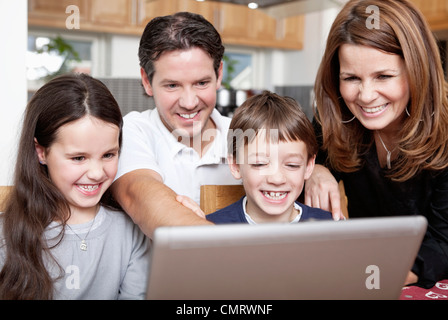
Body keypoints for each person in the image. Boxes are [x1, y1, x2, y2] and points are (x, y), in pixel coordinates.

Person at [305, 0, 448, 288]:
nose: (366, 96)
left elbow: (444, 244)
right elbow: (299, 165)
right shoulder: (337, 120)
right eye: (351, 78)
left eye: (384, 76)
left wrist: (373, 276)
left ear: (417, 71)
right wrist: (315, 169)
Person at [0, 73, 150, 300]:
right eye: (78, 158)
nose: (97, 173)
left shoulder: (131, 232)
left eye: (108, 154)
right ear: (41, 152)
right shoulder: (6, 234)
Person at [110, 12, 236, 237]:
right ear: (147, 81)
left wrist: (314, 172)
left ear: (219, 75)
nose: (189, 103)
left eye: (201, 83)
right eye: (172, 86)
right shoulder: (133, 130)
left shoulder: (244, 133)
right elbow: (139, 195)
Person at [207, 91, 332, 224]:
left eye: (292, 165)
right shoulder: (210, 227)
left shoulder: (330, 226)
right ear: (235, 165)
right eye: (259, 164)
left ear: (308, 166)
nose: (276, 179)